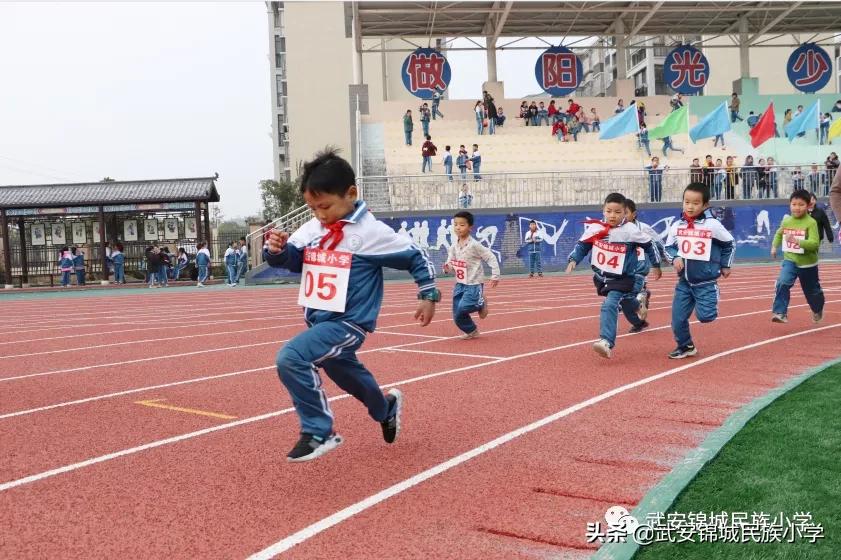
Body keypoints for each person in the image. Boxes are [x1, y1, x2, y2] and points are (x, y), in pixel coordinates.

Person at [264, 149, 438, 462]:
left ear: (351, 194)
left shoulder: (370, 233)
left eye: (325, 206)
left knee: (291, 357)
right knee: (349, 377)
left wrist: (427, 295)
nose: (319, 214)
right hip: (320, 322)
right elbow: (293, 259)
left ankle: (319, 431)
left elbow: (416, 256)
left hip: (348, 324)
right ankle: (385, 409)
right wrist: (276, 252)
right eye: (312, 207)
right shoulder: (313, 230)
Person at [566, 193, 660, 358]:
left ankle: (606, 341)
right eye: (609, 211)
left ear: (625, 213)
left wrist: (656, 265)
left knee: (609, 305)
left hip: (623, 278)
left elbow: (649, 245)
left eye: (617, 212)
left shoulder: (630, 230)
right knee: (626, 304)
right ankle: (638, 303)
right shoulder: (595, 228)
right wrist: (573, 260)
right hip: (602, 277)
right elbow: (582, 245)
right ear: (603, 210)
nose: (612, 215)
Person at [664, 183, 735, 359]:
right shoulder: (677, 225)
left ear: (705, 205)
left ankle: (714, 293)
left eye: (695, 203)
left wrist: (726, 265)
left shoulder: (712, 225)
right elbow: (668, 247)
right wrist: (675, 258)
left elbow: (730, 243)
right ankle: (686, 346)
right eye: (687, 202)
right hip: (684, 282)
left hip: (705, 282)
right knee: (677, 319)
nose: (690, 206)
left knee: (706, 317)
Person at [442, 211, 500, 339]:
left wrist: (495, 275)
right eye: (455, 224)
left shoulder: (475, 245)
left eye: (462, 225)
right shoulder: (453, 247)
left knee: (464, 307)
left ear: (470, 227)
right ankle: (472, 330)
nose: (458, 227)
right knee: (457, 314)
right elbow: (451, 263)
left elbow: (491, 257)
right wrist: (447, 268)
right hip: (460, 284)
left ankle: (481, 303)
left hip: (474, 283)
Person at [770, 189, 824, 324]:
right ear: (790, 205)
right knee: (782, 282)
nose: (797, 208)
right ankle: (780, 312)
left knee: (812, 292)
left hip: (808, 264)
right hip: (790, 260)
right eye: (794, 204)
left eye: (801, 204)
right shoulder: (787, 221)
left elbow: (814, 244)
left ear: (808, 206)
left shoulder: (811, 223)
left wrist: (797, 241)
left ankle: (817, 309)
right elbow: (779, 233)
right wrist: (774, 246)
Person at [625, 198, 665, 317]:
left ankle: (640, 297)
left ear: (634, 214)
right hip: (625, 264)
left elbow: (658, 242)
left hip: (641, 262)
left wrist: (660, 261)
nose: (622, 216)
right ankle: (642, 294)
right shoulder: (616, 228)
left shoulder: (643, 228)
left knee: (637, 283)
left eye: (625, 213)